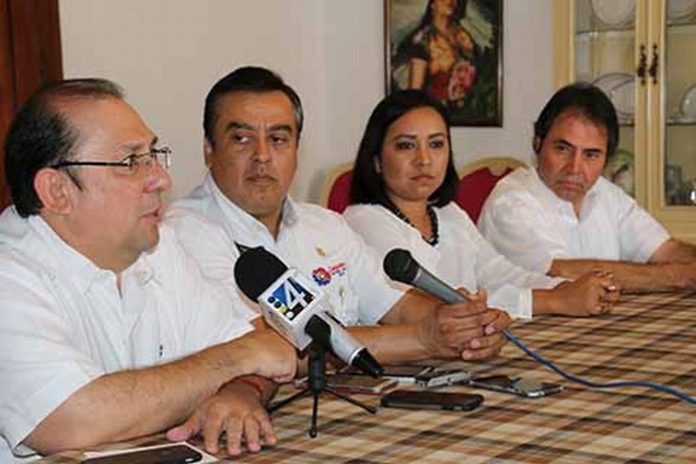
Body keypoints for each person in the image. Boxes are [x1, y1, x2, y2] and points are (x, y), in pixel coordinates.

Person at [0, 79, 296, 462]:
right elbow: (73, 421)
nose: (161, 179)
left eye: (154, 155)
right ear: (57, 191)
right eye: (130, 162)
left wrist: (241, 392)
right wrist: (235, 359)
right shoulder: (9, 276)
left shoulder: (158, 248)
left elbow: (265, 352)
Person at [166, 66, 510, 373]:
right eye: (242, 139)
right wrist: (425, 339)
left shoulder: (326, 226)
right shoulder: (185, 231)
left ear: (296, 149)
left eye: (278, 139)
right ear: (209, 149)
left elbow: (396, 306)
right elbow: (267, 347)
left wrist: (464, 324)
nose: (263, 156)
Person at [344, 89, 618, 320]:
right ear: (377, 160)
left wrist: (566, 287)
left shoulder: (447, 214)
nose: (424, 159)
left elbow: (499, 273)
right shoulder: (364, 222)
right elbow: (437, 305)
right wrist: (555, 300)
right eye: (406, 146)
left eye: (436, 144)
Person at [478, 83, 696, 292]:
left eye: (591, 155)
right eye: (563, 149)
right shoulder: (510, 203)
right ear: (537, 143)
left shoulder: (604, 192)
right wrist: (676, 276)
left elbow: (665, 250)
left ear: (607, 159)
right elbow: (559, 274)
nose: (575, 168)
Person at [393, 0, 478, 107]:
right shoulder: (423, 40)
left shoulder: (463, 36)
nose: (450, 1)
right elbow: (414, 93)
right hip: (434, 109)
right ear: (432, 4)